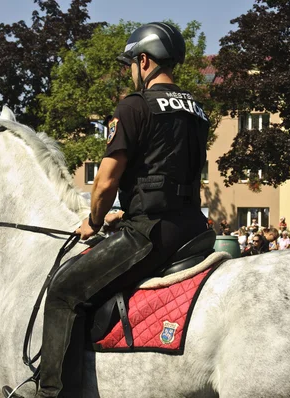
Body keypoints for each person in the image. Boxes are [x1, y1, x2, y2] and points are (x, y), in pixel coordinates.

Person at [31, 22, 210, 398]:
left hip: (152, 233)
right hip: (194, 227)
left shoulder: (133, 106)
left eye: (131, 63)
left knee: (64, 290)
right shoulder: (196, 109)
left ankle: (53, 394)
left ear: (143, 61)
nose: (131, 70)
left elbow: (106, 181)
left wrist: (94, 220)